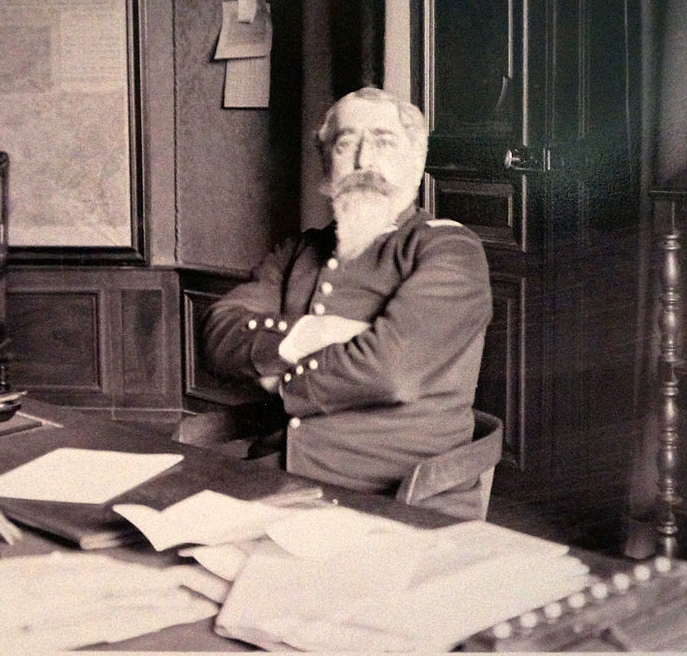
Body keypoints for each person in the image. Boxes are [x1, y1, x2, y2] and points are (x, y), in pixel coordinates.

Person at [200, 87, 492, 511]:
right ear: (327, 163)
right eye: (345, 144)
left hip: (396, 495)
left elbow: (392, 372)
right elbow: (216, 331)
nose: (363, 161)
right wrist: (308, 335)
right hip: (277, 479)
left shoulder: (449, 250)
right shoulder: (301, 250)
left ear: (415, 160)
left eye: (383, 142)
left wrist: (283, 378)